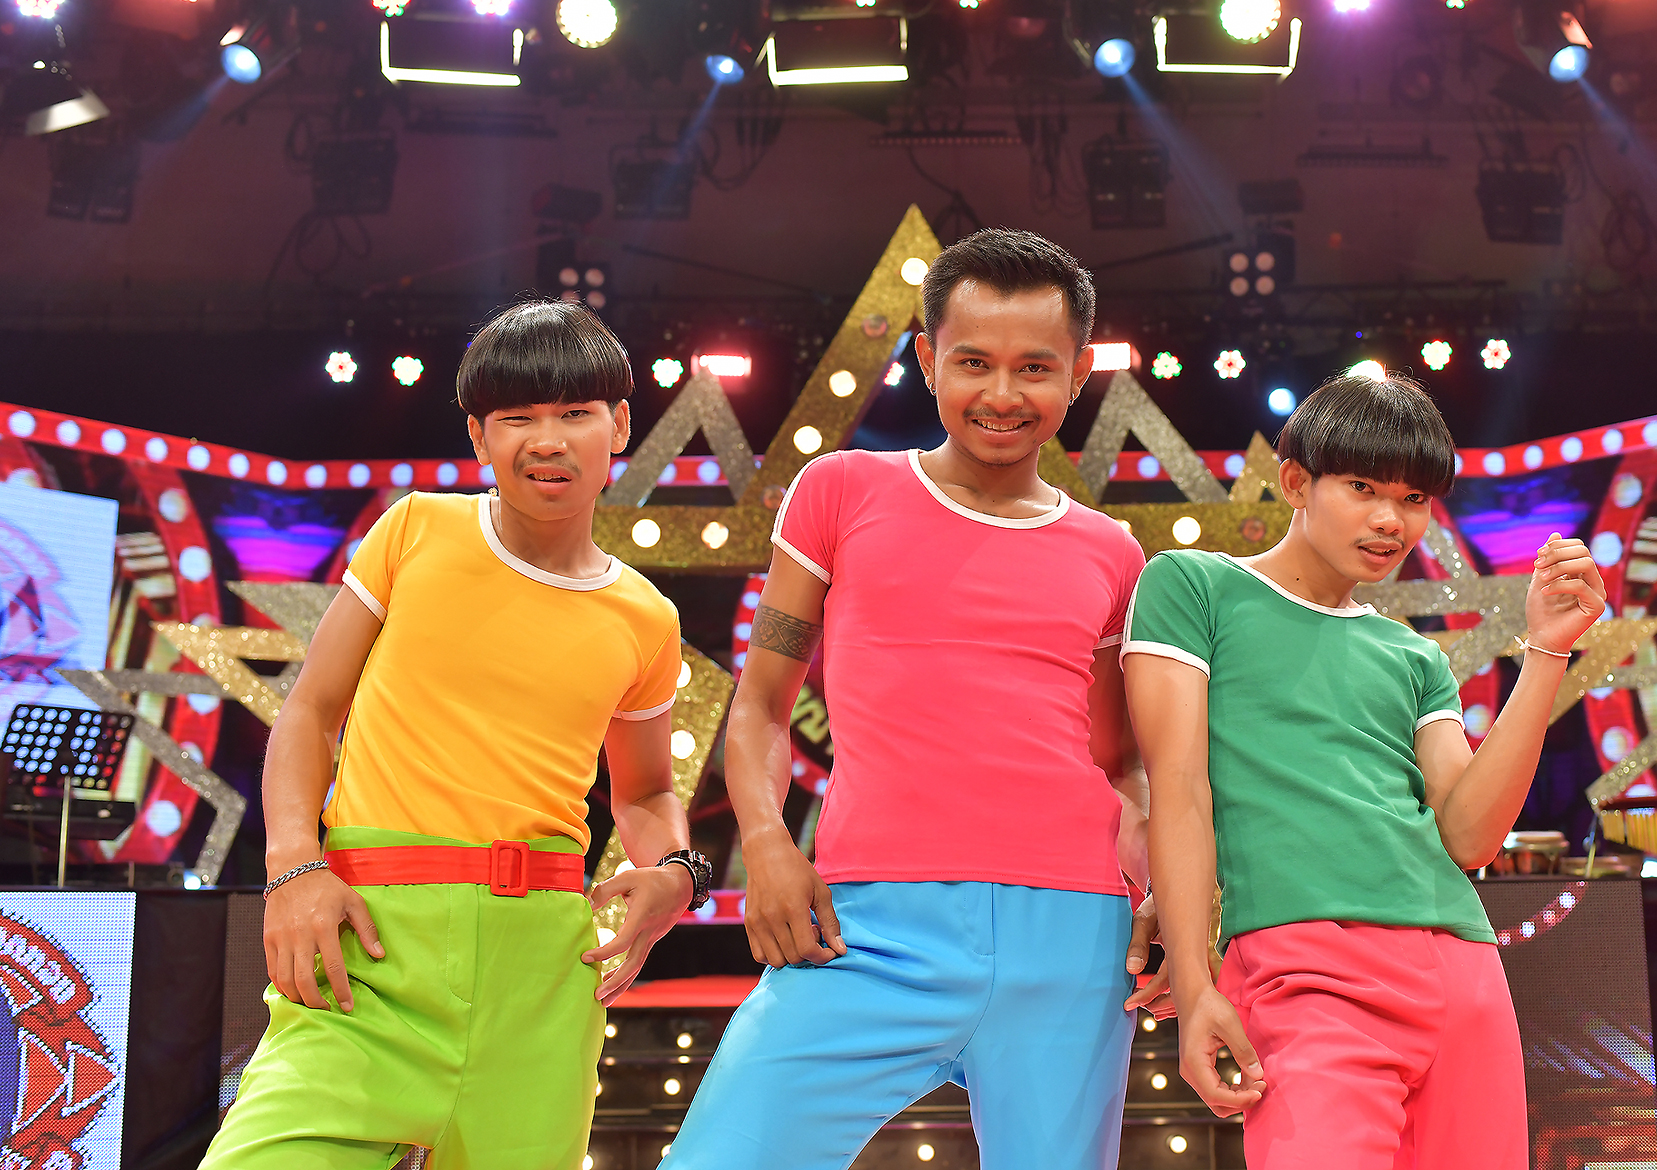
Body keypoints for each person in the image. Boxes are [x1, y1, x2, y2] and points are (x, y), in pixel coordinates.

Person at [661, 229, 1152, 1170]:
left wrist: (1161, 893)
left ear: (1079, 373)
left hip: (1074, 936)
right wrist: (765, 843)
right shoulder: (841, 492)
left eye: (1034, 367)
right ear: (927, 359)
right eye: (973, 362)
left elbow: (1120, 761)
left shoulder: (1112, 552)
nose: (1002, 393)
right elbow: (760, 706)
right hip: (866, 927)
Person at [201, 300, 712, 1170]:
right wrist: (291, 868)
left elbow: (647, 790)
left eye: (575, 413)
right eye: (517, 418)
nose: (547, 441)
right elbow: (310, 711)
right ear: (478, 436)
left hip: (541, 974)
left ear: (620, 426)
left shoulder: (646, 617)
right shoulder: (415, 530)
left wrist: (677, 873)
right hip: (369, 948)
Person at [1122, 371, 1607, 1169]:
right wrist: (1198, 978)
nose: (1391, 520)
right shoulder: (1194, 587)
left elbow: (1469, 837)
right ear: (1295, 483)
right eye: (1363, 488)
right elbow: (1178, 791)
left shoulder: (1414, 656)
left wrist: (1547, 652)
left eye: (1413, 499)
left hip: (1463, 974)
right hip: (1304, 971)